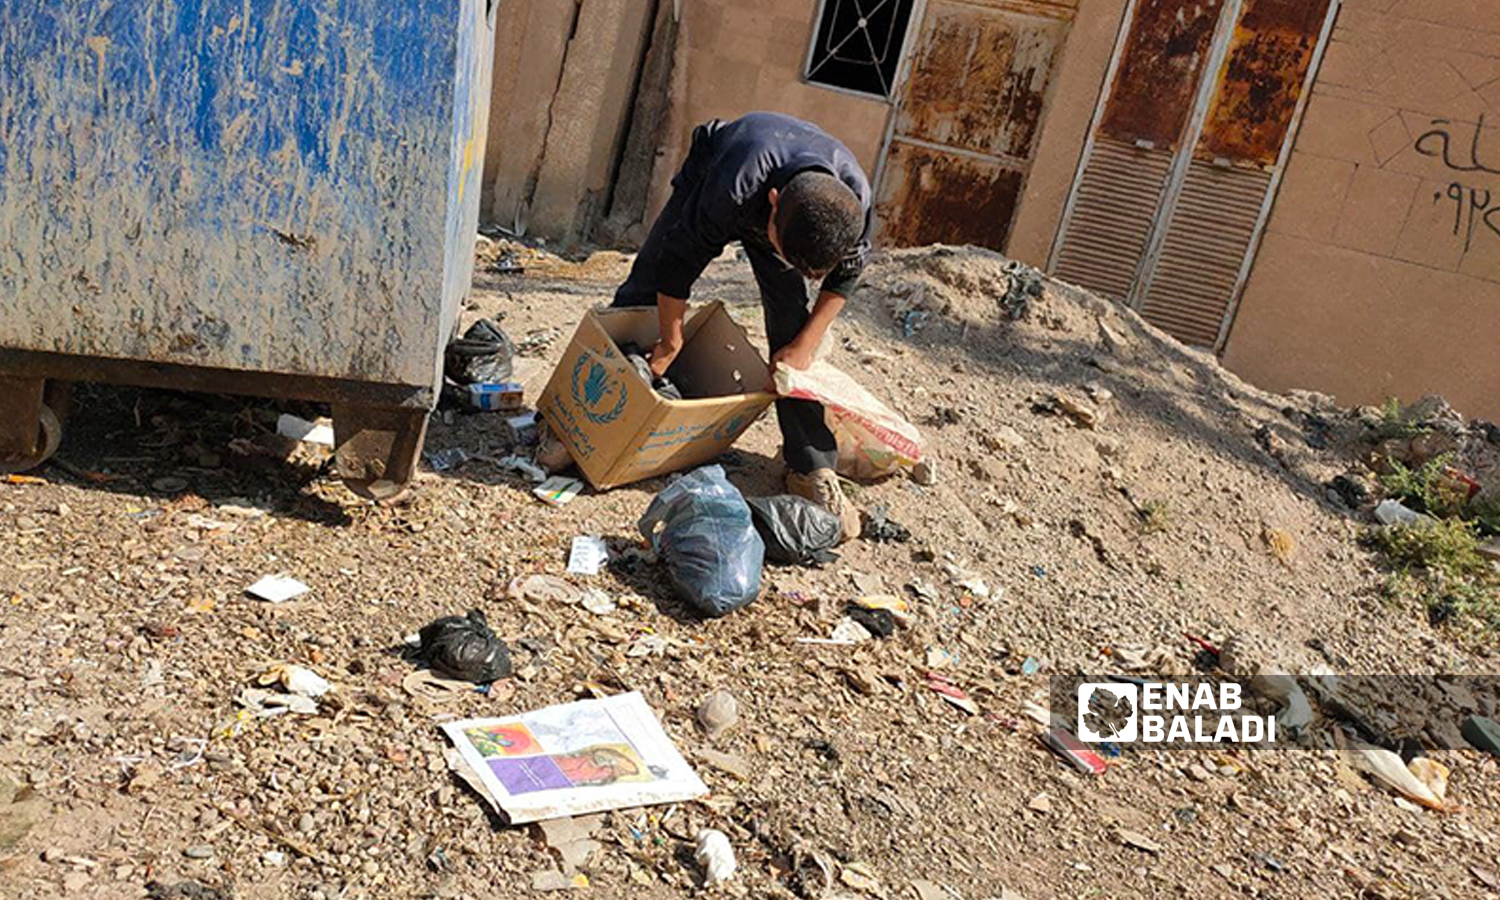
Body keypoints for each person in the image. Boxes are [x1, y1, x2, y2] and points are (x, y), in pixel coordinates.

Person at [612, 112, 871, 540]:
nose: (786, 264)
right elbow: (679, 260)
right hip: (717, 163)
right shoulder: (733, 187)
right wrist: (671, 339)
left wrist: (805, 344)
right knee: (647, 285)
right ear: (772, 204)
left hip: (789, 208)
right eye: (782, 251)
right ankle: (603, 409)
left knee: (792, 328)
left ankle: (811, 467)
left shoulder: (852, 207)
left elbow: (845, 278)